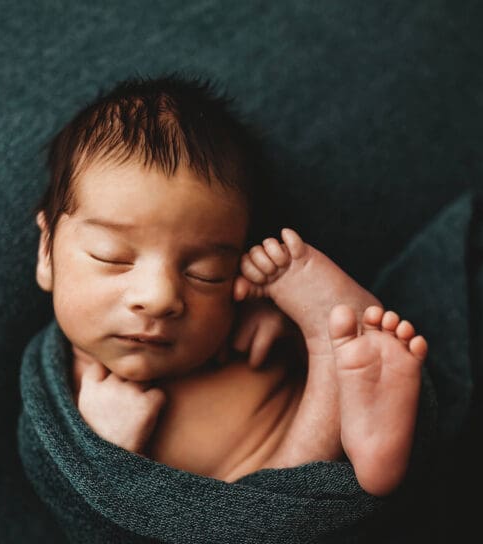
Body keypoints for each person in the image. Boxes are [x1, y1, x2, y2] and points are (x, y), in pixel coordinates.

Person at [32, 74, 428, 497]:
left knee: (342, 350)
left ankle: (344, 349)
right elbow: (106, 519)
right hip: (265, 492)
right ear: (47, 251)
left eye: (206, 274)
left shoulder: (234, 325)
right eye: (112, 256)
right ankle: (335, 354)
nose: (160, 297)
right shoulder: (63, 405)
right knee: (277, 503)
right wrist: (106, 452)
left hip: (307, 409)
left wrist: (280, 322)